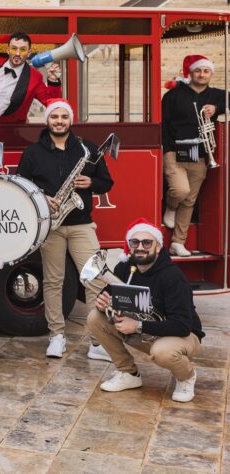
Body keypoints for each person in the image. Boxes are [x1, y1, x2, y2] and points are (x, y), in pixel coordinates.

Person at [17, 99, 114, 360]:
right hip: (51, 225)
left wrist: (92, 181)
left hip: (82, 224)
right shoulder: (33, 153)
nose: (59, 121)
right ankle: (56, 336)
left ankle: (97, 341)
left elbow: (107, 183)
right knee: (53, 282)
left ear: (70, 120)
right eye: (54, 117)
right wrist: (40, 196)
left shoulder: (88, 149)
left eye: (64, 117)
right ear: (47, 120)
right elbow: (21, 187)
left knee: (96, 279)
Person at [88, 218, 204, 403]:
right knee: (95, 318)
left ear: (158, 247)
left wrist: (138, 325)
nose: (140, 247)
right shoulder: (125, 267)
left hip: (184, 335)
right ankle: (129, 374)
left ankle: (186, 377)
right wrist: (103, 300)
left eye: (147, 242)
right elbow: (111, 291)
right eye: (135, 242)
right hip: (146, 329)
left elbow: (182, 326)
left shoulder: (173, 277)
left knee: (163, 352)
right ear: (129, 246)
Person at [162, 55, 226, 257]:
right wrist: (167, 149)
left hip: (200, 153)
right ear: (190, 73)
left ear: (211, 74)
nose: (202, 74)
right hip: (174, 151)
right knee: (180, 191)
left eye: (206, 71)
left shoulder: (216, 95)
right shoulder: (173, 95)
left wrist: (218, 108)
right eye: (198, 71)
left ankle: (177, 242)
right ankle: (170, 207)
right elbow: (163, 124)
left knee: (190, 199)